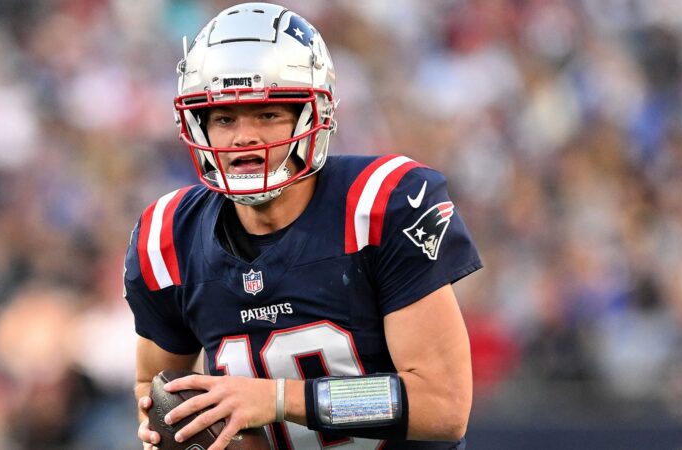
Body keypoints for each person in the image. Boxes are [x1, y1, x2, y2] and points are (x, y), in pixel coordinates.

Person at [123, 3, 481, 449]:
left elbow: (443, 406)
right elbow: (152, 384)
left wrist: (276, 399)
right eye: (224, 118)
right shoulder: (169, 236)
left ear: (315, 115)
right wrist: (188, 425)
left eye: (268, 115)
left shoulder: (380, 206)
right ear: (196, 124)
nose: (243, 138)